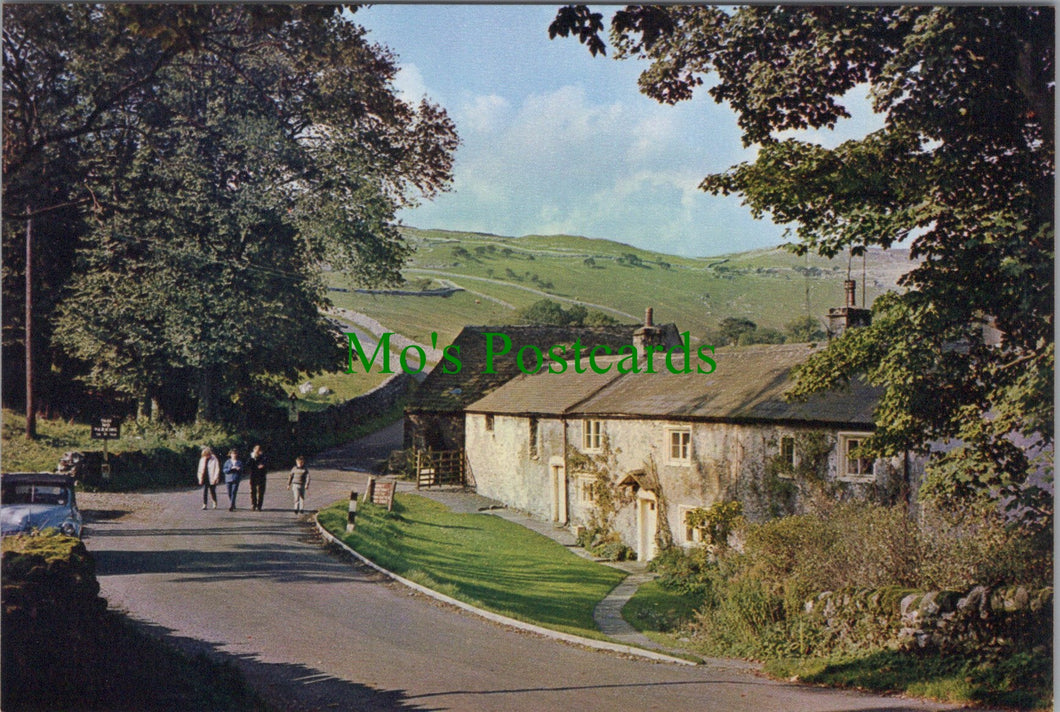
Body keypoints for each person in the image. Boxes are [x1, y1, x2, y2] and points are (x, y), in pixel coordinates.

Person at [247, 444, 268, 511]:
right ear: (254, 450)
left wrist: (263, 466)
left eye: (258, 450)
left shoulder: (263, 457)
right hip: (253, 476)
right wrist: (252, 458)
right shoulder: (251, 457)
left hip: (261, 476)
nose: (257, 451)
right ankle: (253, 504)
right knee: (253, 491)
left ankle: (259, 506)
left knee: (261, 492)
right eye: (256, 450)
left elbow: (267, 464)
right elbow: (247, 464)